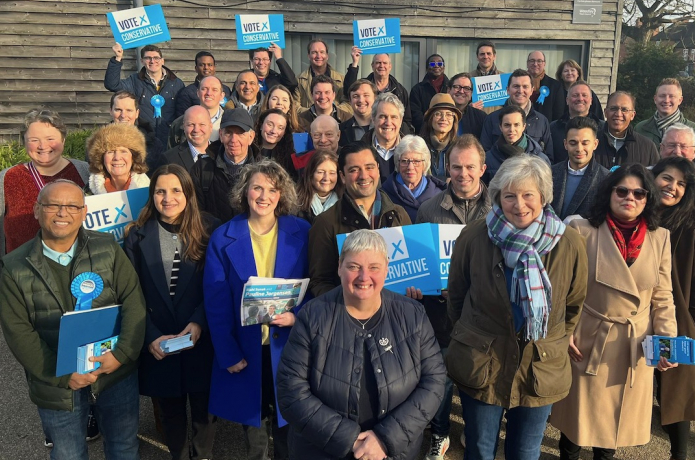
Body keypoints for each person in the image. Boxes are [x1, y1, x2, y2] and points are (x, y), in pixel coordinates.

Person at [446, 154, 588, 459]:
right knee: (481, 449)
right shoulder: (473, 236)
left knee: (525, 452)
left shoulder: (570, 244)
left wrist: (558, 338)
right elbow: (457, 298)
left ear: (543, 197)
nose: (519, 205)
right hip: (482, 359)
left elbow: (573, 304)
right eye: (509, 196)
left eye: (528, 195)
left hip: (540, 363)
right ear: (498, 197)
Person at [0, 179, 146, 460]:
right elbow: (19, 332)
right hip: (56, 382)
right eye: (53, 205)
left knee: (124, 447)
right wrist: (64, 374)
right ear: (36, 210)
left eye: (71, 206)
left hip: (114, 372)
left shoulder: (108, 248)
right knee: (67, 453)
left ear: (84, 212)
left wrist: (123, 353)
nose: (63, 212)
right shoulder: (15, 267)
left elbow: (133, 301)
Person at [277, 229, 446, 460]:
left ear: (387, 268)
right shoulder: (312, 316)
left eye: (374, 267)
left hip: (393, 452)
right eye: (354, 266)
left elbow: (434, 382)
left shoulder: (413, 315)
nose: (364, 277)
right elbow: (291, 391)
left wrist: (385, 439)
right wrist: (349, 440)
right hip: (321, 451)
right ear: (339, 267)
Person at [550, 163, 678, 460]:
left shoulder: (660, 237)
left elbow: (662, 296)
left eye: (638, 192)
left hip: (633, 343)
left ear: (648, 199)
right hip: (589, 338)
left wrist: (667, 343)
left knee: (612, 429)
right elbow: (560, 286)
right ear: (608, 193)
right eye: (621, 190)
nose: (629, 197)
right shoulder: (581, 229)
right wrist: (563, 331)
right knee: (576, 425)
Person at [203, 160, 311, 460]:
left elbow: (316, 288)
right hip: (247, 349)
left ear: (282, 194)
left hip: (291, 346)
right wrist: (227, 352)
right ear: (245, 191)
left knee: (291, 429)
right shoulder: (223, 237)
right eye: (257, 188)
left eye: (273, 189)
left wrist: (297, 316)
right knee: (255, 434)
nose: (264, 196)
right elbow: (216, 302)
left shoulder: (302, 231)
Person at [123, 165, 219, 460]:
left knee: (205, 412)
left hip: (200, 338)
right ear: (151, 196)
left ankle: (201, 455)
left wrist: (199, 320)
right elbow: (131, 293)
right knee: (170, 411)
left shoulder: (210, 229)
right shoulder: (137, 236)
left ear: (188, 194)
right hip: (159, 341)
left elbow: (218, 284)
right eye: (160, 191)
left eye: (176, 190)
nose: (168, 198)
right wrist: (149, 335)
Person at [415, 134, 491, 460]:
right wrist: (418, 284)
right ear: (447, 168)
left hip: (484, 315)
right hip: (441, 314)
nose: (463, 174)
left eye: (470, 167)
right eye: (456, 167)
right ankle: (441, 432)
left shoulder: (500, 211)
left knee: (479, 382)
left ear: (483, 168)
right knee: (441, 380)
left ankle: (476, 435)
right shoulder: (428, 210)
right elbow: (420, 264)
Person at [650, 157, 695, 460]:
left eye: (681, 184)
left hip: (676, 323)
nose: (672, 187)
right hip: (635, 317)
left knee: (674, 394)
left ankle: (679, 454)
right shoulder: (636, 216)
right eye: (666, 178)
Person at [308, 141, 411, 297]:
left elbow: (413, 270)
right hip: (348, 317)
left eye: (369, 167)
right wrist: (348, 306)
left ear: (378, 169)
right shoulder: (326, 223)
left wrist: (414, 289)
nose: (364, 176)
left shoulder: (398, 214)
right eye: (354, 170)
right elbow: (320, 282)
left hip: (394, 313)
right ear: (342, 176)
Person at [0, 109, 90, 276]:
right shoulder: (7, 178)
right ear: (24, 141)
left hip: (78, 275)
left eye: (50, 139)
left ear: (63, 139)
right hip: (22, 276)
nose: (42, 146)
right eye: (34, 140)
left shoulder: (85, 173)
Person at [104, 43, 184, 165]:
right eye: (148, 58)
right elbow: (112, 85)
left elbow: (181, 112)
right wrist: (117, 58)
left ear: (162, 60)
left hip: (169, 138)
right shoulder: (134, 81)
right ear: (142, 61)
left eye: (156, 58)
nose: (152, 61)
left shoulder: (176, 83)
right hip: (145, 140)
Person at [190, 109, 259, 223]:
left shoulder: (263, 170)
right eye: (229, 133)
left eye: (240, 133)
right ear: (221, 135)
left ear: (251, 137)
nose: (233, 140)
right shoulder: (202, 168)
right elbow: (195, 213)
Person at [479, 69, 553, 161]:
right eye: (516, 86)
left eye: (525, 86)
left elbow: (548, 158)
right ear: (508, 90)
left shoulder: (542, 121)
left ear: (532, 90)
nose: (520, 90)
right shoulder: (492, 119)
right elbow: (483, 154)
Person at [550, 116, 608, 221]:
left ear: (595, 144)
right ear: (565, 144)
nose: (579, 149)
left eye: (585, 143)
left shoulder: (606, 179)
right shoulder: (550, 173)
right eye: (573, 143)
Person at [381, 136, 447, 222]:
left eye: (416, 161)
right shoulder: (384, 195)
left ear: (425, 164)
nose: (410, 167)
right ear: (398, 162)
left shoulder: (440, 197)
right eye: (405, 161)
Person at [344, 50, 413, 129]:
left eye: (385, 63)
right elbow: (349, 90)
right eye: (378, 63)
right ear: (372, 66)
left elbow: (407, 120)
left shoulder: (400, 91)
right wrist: (355, 63)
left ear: (390, 66)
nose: (381, 66)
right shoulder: (364, 86)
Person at [592, 91, 659, 169]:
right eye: (614, 108)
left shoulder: (647, 147)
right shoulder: (591, 142)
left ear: (632, 115)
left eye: (624, 110)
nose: (618, 114)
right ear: (606, 112)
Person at [483, 105, 550, 184]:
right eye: (507, 125)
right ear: (500, 127)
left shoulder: (540, 159)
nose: (511, 130)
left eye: (516, 125)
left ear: (523, 127)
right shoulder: (488, 159)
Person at [85, 123, 150, 194]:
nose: (117, 157)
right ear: (101, 158)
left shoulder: (149, 191)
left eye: (123, 151)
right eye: (111, 152)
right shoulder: (88, 192)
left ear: (134, 157)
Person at [548, 81, 604, 163]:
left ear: (591, 100)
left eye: (584, 95)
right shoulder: (553, 128)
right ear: (567, 100)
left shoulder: (603, 128)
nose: (580, 99)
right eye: (575, 95)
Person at [634, 78, 695, 146]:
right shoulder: (640, 129)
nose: (666, 100)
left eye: (671, 96)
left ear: (680, 100)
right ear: (655, 99)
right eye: (662, 96)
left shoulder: (693, 129)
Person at [539, 59, 604, 123]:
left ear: (578, 74)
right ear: (561, 75)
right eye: (566, 71)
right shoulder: (555, 93)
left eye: (572, 70)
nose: (569, 73)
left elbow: (597, 115)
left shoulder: (588, 93)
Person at [362, 92, 407, 182]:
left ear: (401, 121)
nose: (388, 123)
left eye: (394, 117)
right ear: (373, 119)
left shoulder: (413, 152)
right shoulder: (359, 152)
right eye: (383, 116)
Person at [419, 93, 462, 182]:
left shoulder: (460, 147)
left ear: (454, 120)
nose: (443, 118)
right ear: (430, 118)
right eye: (438, 114)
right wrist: (445, 180)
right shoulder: (419, 146)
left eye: (449, 114)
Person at [157, 106, 213, 173]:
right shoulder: (169, 159)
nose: (196, 130)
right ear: (184, 127)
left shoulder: (222, 154)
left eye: (202, 124)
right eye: (191, 125)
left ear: (211, 127)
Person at [294, 38, 346, 108]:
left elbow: (348, 104)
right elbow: (295, 107)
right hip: (309, 119)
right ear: (308, 56)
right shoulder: (299, 80)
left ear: (327, 56)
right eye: (314, 52)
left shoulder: (341, 79)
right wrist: (313, 113)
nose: (318, 56)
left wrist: (333, 113)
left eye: (322, 52)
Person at [295, 150, 339, 224]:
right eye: (320, 172)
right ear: (310, 174)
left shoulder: (346, 203)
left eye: (332, 173)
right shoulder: (295, 204)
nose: (326, 178)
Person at [410, 54, 450, 132]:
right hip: (425, 133)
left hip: (448, 131)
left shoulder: (451, 87)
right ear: (427, 68)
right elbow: (415, 114)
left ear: (444, 67)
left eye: (439, 63)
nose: (436, 66)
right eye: (432, 64)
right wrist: (430, 127)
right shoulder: (417, 89)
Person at [254, 108, 297, 180]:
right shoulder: (248, 151)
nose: (273, 131)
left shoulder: (290, 158)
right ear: (261, 125)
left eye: (280, 128)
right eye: (270, 125)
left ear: (284, 132)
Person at [448, 72, 487, 139]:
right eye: (457, 87)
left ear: (471, 94)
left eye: (466, 88)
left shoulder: (481, 117)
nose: (461, 91)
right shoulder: (437, 114)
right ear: (448, 90)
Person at [339, 79, 377, 147]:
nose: (361, 100)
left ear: (375, 98)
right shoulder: (340, 130)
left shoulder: (385, 126)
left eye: (366, 95)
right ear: (350, 100)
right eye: (356, 96)